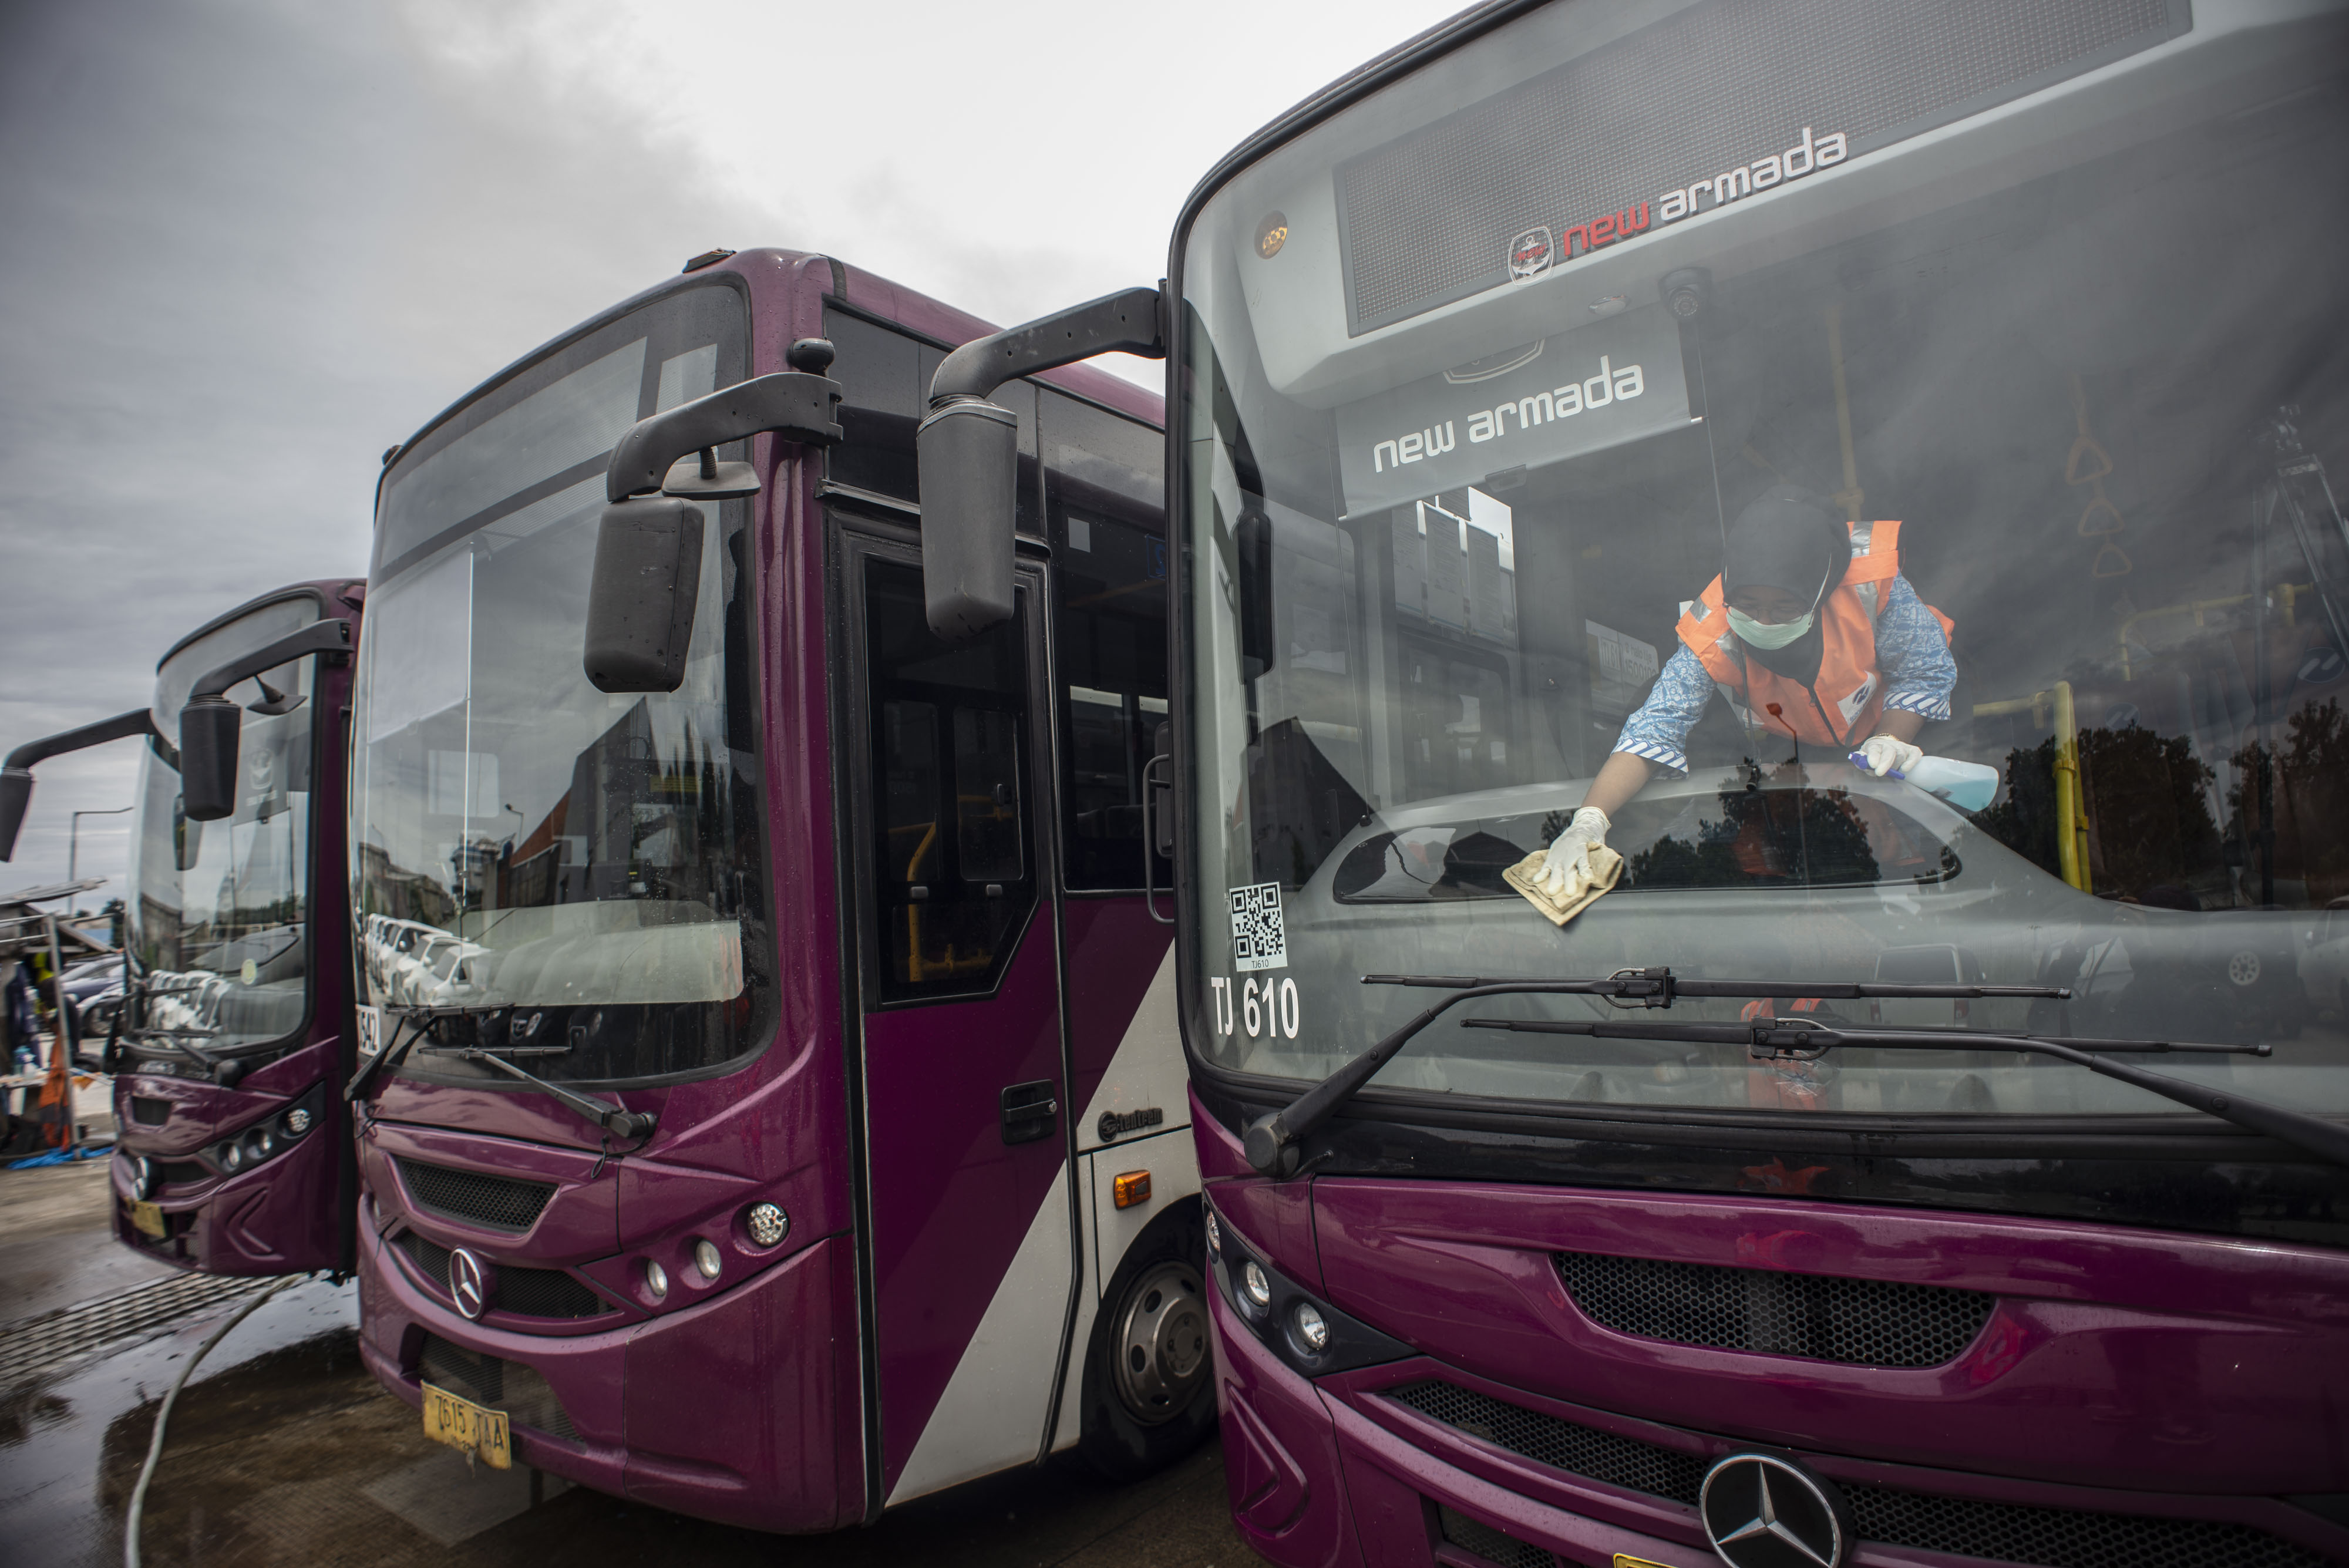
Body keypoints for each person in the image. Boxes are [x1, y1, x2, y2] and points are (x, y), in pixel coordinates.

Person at [1539, 486, 1957, 897]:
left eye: (1783, 609)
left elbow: (1923, 673)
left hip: (1914, 729)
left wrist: (1891, 738)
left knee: (1936, 849)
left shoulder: (1872, 582)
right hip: (1811, 752)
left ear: (1818, 592)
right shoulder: (1714, 627)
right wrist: (1589, 822)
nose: (1763, 622)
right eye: (1749, 606)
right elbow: (1655, 727)